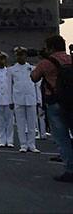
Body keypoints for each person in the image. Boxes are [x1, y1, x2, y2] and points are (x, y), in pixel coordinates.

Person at [31, 34, 73, 182]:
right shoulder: (70, 58)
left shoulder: (45, 63)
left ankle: (70, 170)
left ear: (51, 48)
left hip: (55, 103)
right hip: (72, 101)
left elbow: (34, 77)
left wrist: (42, 60)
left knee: (62, 138)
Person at [10, 46, 40, 153]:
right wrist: (10, 100)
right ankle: (23, 144)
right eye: (18, 55)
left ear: (26, 56)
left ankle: (32, 144)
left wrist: (39, 100)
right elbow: (10, 86)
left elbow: (37, 85)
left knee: (32, 123)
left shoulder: (33, 68)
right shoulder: (12, 70)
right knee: (21, 124)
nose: (20, 57)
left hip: (31, 98)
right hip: (18, 98)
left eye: (22, 54)